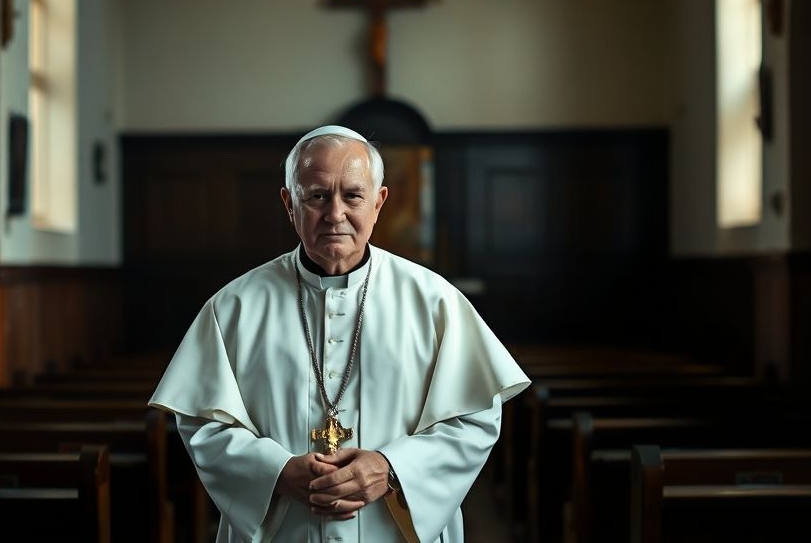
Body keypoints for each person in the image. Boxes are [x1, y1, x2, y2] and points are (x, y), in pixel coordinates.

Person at [149, 125, 530, 542]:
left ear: (379, 202)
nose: (335, 214)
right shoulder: (235, 307)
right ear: (288, 204)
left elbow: (475, 416)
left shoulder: (435, 302)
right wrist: (275, 472)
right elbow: (204, 422)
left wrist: (391, 469)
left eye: (352, 195)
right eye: (316, 196)